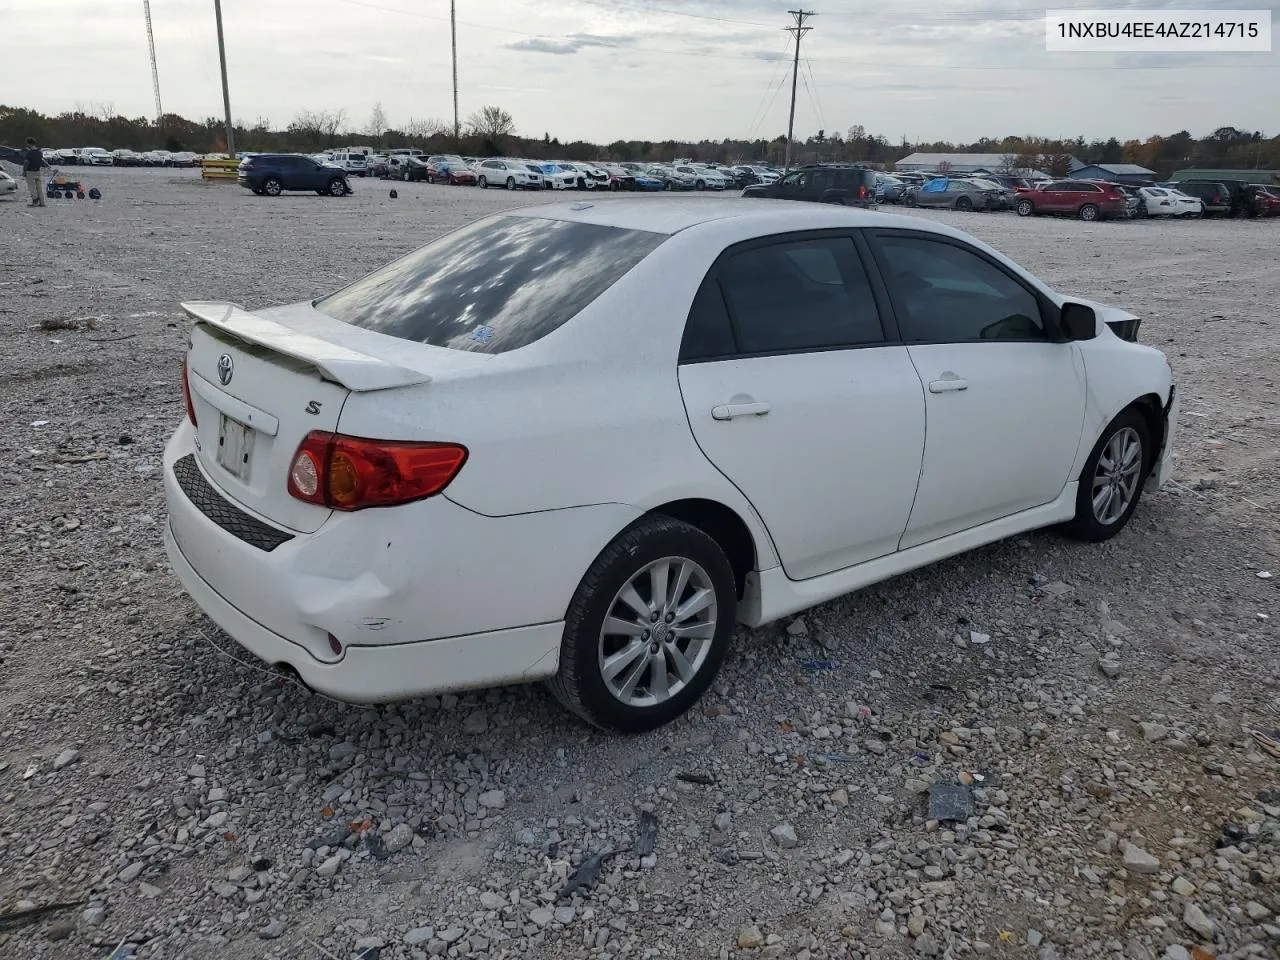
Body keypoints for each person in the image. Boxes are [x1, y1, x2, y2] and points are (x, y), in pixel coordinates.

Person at [23, 138, 47, 207]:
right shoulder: (39, 152)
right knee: (39, 188)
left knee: (32, 187)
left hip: (30, 172)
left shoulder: (29, 152)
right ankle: (42, 202)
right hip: (38, 171)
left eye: (27, 143)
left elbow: (26, 162)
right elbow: (42, 161)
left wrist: (24, 171)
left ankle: (35, 202)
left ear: (29, 144)